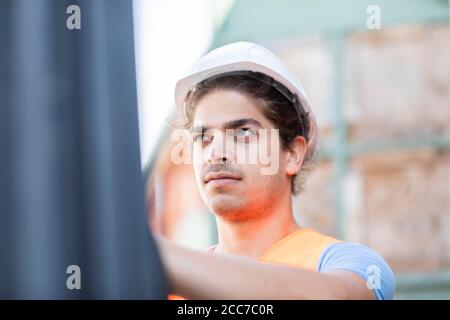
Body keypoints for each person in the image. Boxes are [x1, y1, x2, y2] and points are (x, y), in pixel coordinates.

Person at [154, 41, 395, 300]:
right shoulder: (174, 287)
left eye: (243, 133)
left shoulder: (350, 265)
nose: (216, 152)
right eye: (203, 137)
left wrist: (156, 256)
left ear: (293, 154)